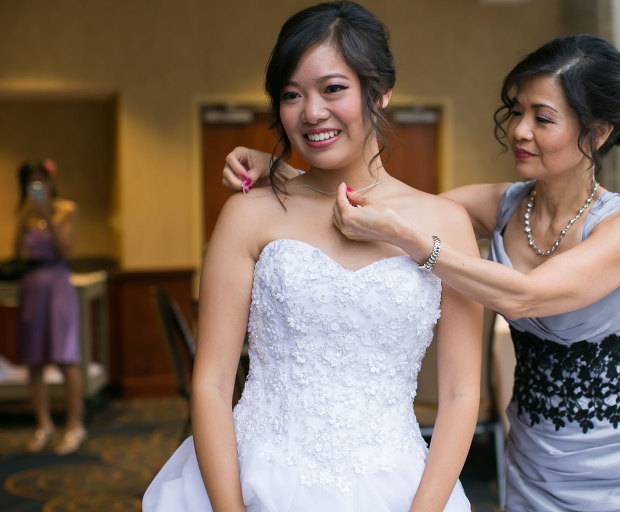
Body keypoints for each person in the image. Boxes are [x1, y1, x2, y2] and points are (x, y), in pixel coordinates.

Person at [223, 34, 620, 511]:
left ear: (598, 132)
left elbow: (526, 296)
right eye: (516, 112)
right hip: (531, 460)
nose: (520, 131)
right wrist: (285, 173)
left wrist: (415, 242)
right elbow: (390, 205)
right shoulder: (504, 206)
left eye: (542, 118)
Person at [144, 2, 482, 511]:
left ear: (381, 91)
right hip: (258, 476)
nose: (311, 112)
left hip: (398, 485)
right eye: (291, 95)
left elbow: (460, 395)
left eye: (333, 89)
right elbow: (211, 383)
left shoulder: (445, 223)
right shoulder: (247, 215)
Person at [13, 159, 86, 455]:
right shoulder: (24, 213)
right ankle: (43, 424)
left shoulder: (66, 209)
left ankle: (74, 425)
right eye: (30, 181)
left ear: (50, 182)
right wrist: (24, 218)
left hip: (58, 284)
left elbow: (67, 251)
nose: (37, 186)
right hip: (32, 285)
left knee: (66, 357)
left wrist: (48, 218)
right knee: (34, 360)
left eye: (40, 180)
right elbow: (16, 253)